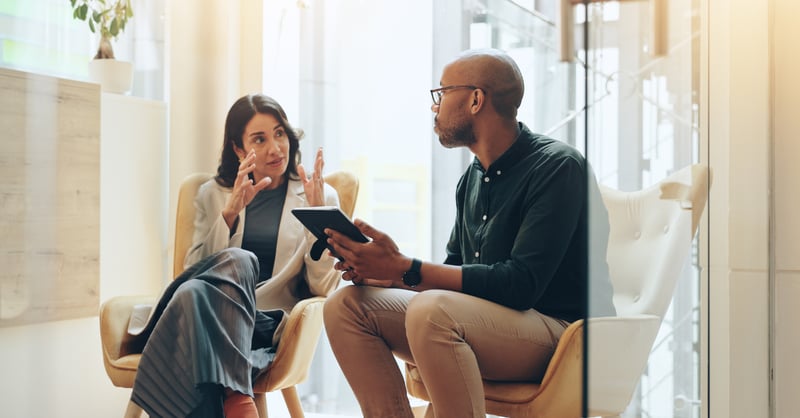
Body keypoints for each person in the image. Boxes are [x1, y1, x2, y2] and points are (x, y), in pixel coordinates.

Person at [322, 48, 616, 418]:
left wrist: (405, 267)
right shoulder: (471, 179)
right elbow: (454, 272)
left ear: (476, 99)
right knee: (345, 306)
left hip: (564, 336)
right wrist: (389, 274)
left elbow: (522, 284)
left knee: (432, 311)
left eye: (442, 92)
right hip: (492, 326)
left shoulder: (558, 167)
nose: (435, 106)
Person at [125, 94, 341, 418]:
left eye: (280, 133)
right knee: (204, 283)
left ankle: (235, 401)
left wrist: (318, 220)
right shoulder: (213, 194)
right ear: (239, 149)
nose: (275, 148)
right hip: (210, 311)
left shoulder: (317, 194)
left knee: (227, 270)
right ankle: (237, 397)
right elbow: (192, 269)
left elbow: (324, 286)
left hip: (265, 320)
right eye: (260, 138)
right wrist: (229, 213)